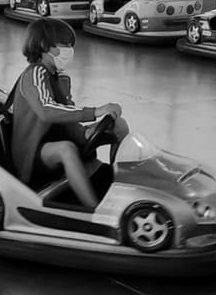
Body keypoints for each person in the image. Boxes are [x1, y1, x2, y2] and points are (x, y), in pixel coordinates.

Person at [9, 18, 128, 210]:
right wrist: (96, 112)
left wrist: (83, 133)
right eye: (64, 45)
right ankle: (93, 210)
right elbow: (47, 111)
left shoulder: (58, 76)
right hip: (33, 152)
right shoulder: (35, 74)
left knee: (119, 125)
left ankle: (120, 185)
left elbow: (66, 113)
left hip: (56, 137)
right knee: (66, 149)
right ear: (44, 46)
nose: (69, 50)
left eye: (71, 45)